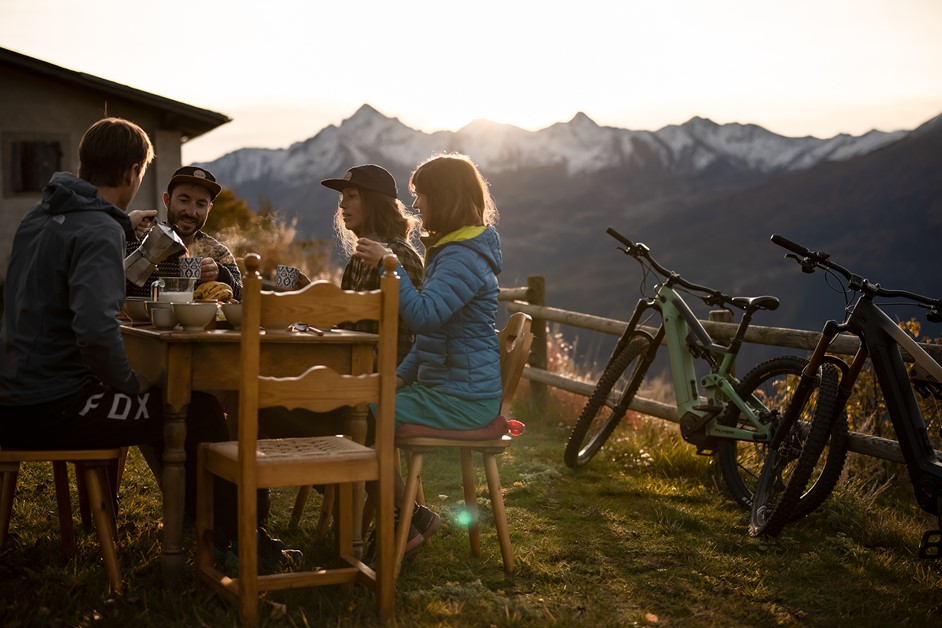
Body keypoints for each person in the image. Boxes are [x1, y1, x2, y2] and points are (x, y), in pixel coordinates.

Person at [0, 117, 292, 568]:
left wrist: (120, 230)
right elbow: (97, 333)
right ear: (136, 171)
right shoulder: (97, 230)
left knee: (182, 403)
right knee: (196, 409)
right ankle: (234, 542)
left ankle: (216, 530)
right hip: (53, 406)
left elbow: (68, 288)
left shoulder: (41, 217)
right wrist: (131, 384)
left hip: (13, 397)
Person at [355, 153, 503, 558]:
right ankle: (409, 518)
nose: (416, 206)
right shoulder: (452, 251)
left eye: (422, 196)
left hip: (464, 400)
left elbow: (422, 317)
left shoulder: (462, 257)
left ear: (446, 197)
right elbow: (434, 336)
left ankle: (404, 524)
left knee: (362, 418)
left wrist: (391, 267)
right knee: (364, 409)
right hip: (452, 391)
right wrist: (400, 377)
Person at [321, 163, 424, 363]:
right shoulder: (359, 258)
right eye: (343, 197)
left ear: (374, 203)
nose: (342, 205)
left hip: (385, 380)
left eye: (351, 196)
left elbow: (403, 342)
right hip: (357, 369)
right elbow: (347, 325)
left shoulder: (398, 255)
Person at [125, 165, 243, 301]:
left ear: (209, 209)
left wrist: (221, 275)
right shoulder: (136, 241)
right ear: (167, 200)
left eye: (200, 204)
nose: (191, 212)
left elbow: (245, 301)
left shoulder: (218, 253)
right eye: (184, 200)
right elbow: (107, 290)